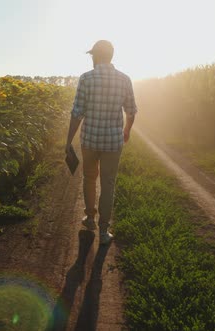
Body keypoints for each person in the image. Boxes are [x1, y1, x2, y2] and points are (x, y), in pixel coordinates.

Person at [65, 40, 138, 245]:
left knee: (89, 178)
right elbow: (131, 111)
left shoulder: (86, 79)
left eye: (92, 56)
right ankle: (104, 231)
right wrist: (126, 131)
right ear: (111, 56)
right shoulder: (124, 79)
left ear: (96, 56)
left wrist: (68, 140)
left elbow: (77, 113)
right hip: (113, 142)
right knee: (108, 184)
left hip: (90, 140)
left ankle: (90, 218)